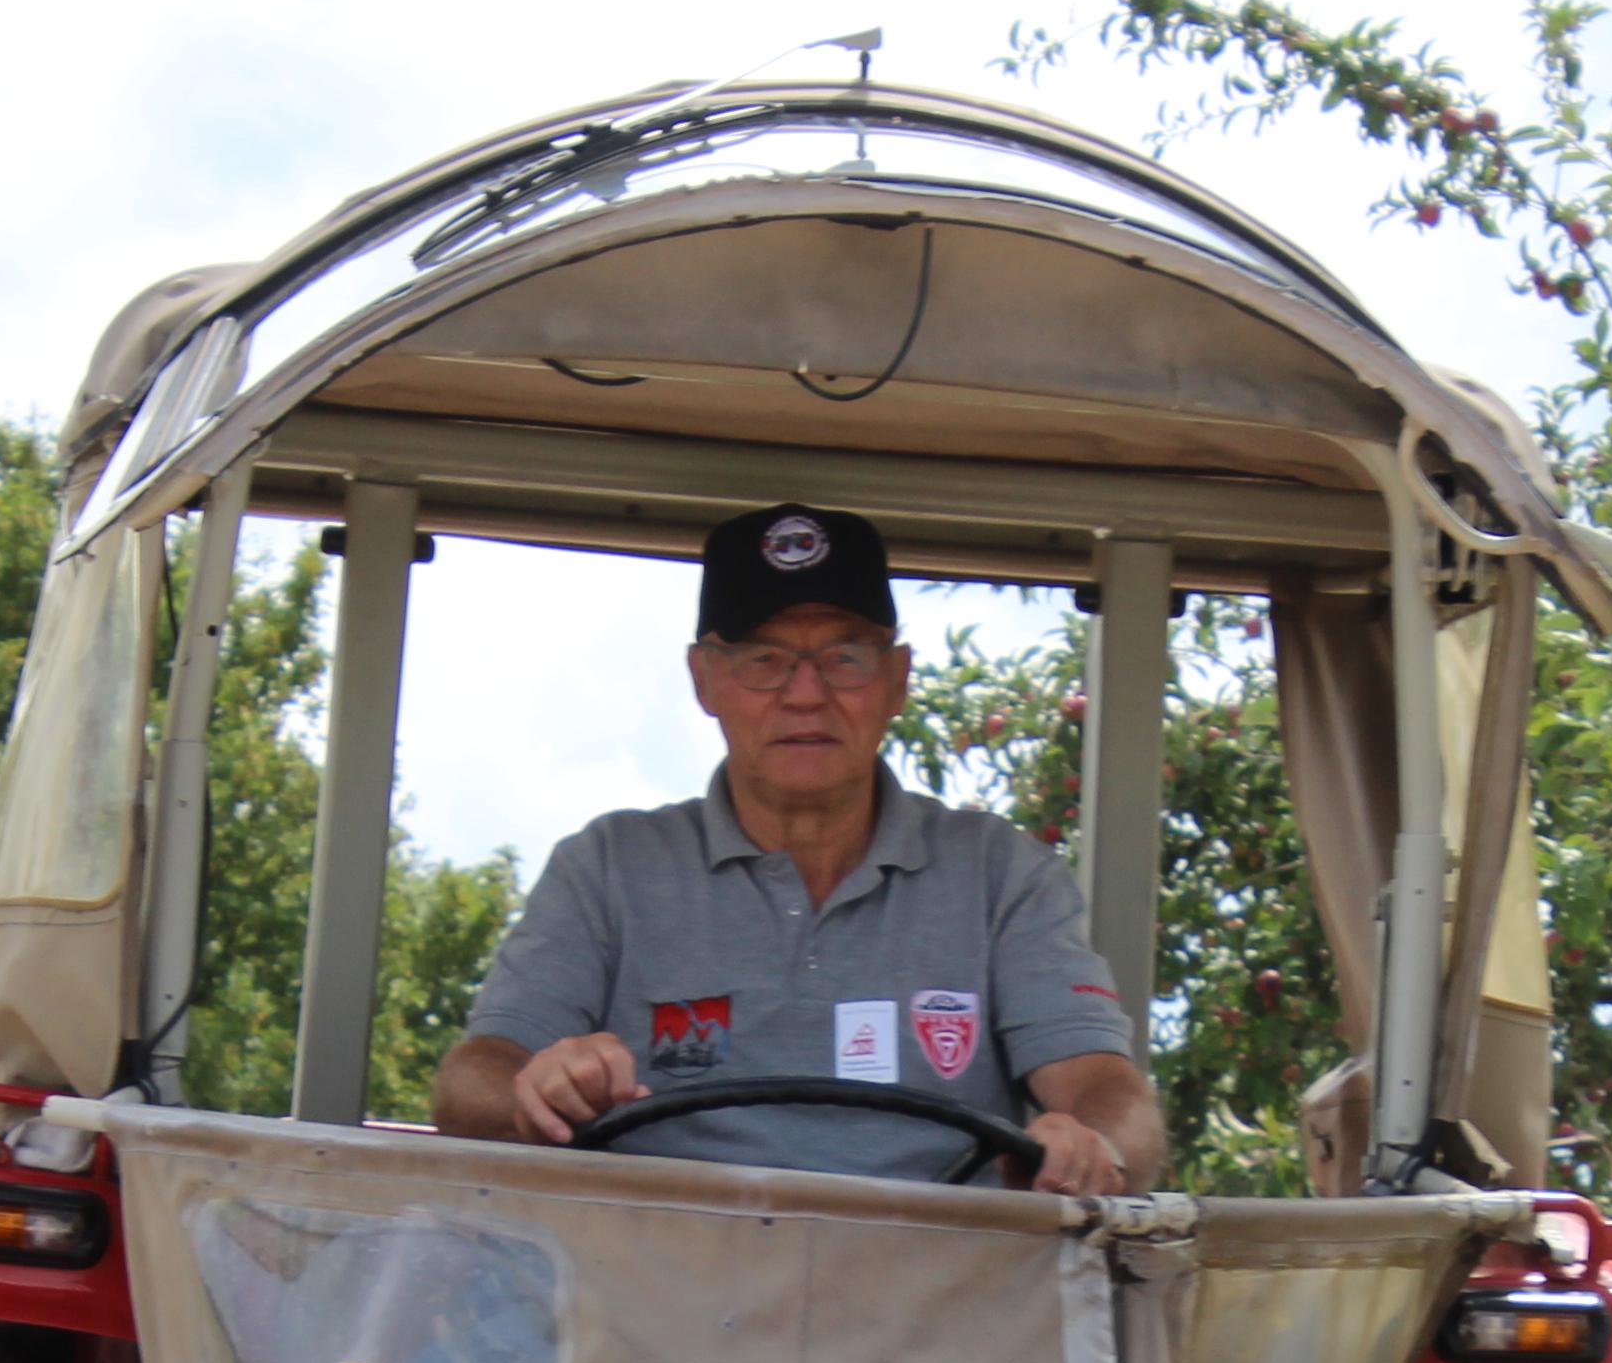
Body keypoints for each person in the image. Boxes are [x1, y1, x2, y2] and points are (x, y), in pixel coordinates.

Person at [430, 503, 1161, 1194]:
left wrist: (1093, 1143)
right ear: (704, 680)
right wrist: (533, 1092)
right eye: (764, 658)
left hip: (938, 1278)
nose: (806, 694)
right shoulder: (609, 866)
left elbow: (1110, 1093)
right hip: (657, 1276)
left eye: (845, 657)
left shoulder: (1002, 875)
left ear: (897, 680)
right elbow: (469, 1085)